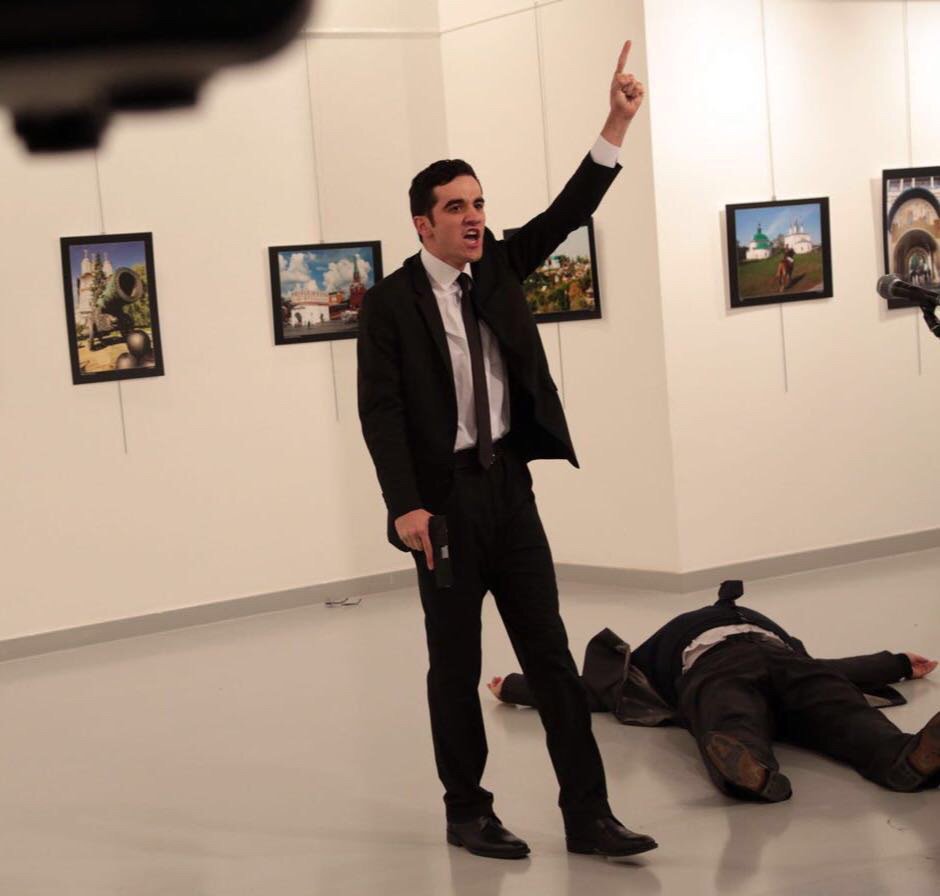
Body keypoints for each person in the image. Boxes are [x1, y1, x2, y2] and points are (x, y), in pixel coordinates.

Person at [357, 41, 653, 861]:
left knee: (551, 658)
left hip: (508, 492)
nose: (473, 217)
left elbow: (568, 211)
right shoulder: (390, 305)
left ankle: (589, 815)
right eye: (456, 206)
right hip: (443, 509)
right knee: (455, 669)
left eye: (479, 203)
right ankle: (467, 812)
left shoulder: (499, 268)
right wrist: (406, 507)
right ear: (422, 223)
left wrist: (616, 123)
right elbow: (380, 412)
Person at [488, 580, 940, 802]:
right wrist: (517, 687)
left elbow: (833, 668)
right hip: (712, 664)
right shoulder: (668, 646)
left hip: (786, 661)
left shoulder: (762, 630)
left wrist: (898, 663)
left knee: (837, 702)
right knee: (728, 710)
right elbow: (592, 691)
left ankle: (907, 759)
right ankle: (752, 772)